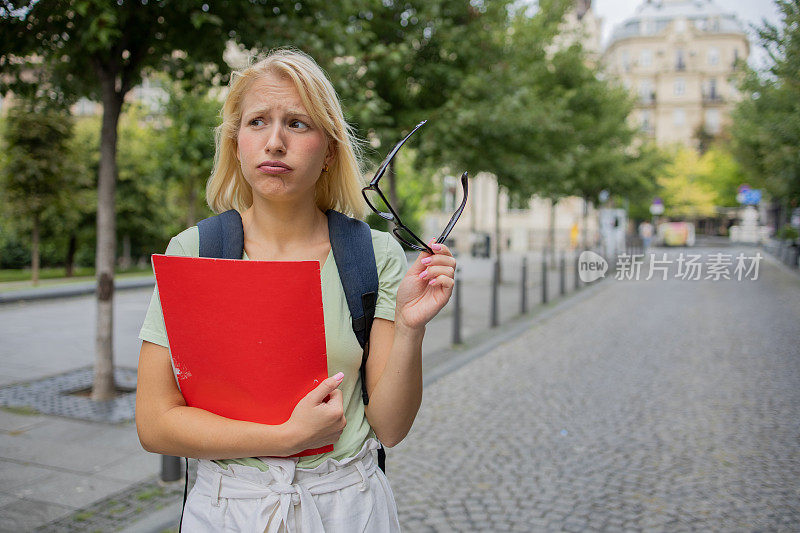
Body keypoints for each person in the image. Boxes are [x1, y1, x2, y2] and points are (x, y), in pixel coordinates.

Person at [135, 48, 456, 532]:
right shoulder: (193, 251)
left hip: (348, 505)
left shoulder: (373, 256)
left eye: (298, 124)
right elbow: (155, 422)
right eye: (258, 122)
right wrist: (285, 437)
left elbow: (390, 427)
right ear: (236, 143)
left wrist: (411, 329)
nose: (275, 142)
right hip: (228, 510)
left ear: (329, 151)